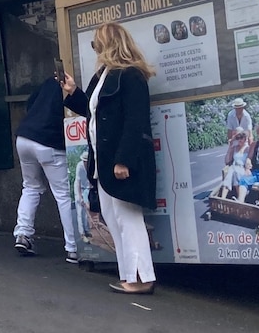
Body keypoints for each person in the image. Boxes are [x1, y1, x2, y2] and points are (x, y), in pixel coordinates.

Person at [62, 22, 157, 294]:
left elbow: (135, 121)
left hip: (118, 159)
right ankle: (131, 274)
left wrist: (123, 159)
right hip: (103, 161)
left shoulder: (131, 76)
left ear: (109, 44)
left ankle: (141, 277)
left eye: (97, 43)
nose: (95, 49)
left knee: (128, 218)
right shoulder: (104, 75)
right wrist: (72, 92)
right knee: (114, 219)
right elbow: (94, 113)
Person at [12, 77, 79, 263]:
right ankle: (73, 247)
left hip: (25, 137)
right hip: (49, 141)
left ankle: (23, 234)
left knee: (30, 187)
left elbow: (31, 103)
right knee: (63, 194)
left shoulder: (49, 81)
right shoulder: (73, 85)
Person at [73, 150, 93, 241]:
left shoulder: (90, 166)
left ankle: (86, 230)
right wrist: (80, 197)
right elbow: (78, 182)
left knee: (86, 211)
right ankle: (82, 233)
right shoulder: (79, 166)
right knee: (80, 211)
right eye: (84, 161)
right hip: (79, 188)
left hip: (86, 188)